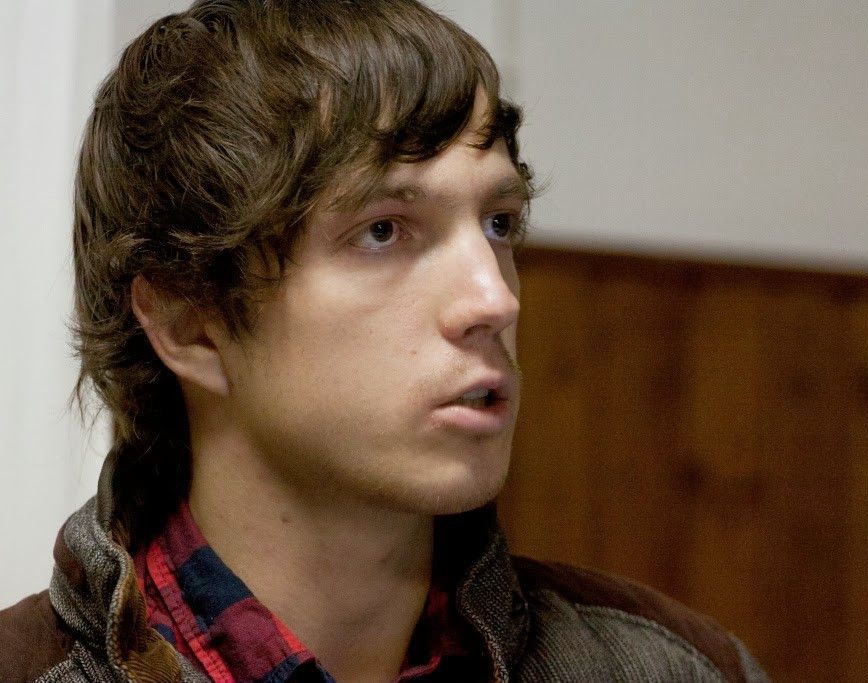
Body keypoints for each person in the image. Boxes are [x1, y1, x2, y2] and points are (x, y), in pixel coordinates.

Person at [0, 1, 768, 681]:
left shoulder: (684, 667)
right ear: (186, 320)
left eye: (499, 222)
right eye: (382, 231)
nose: (494, 298)